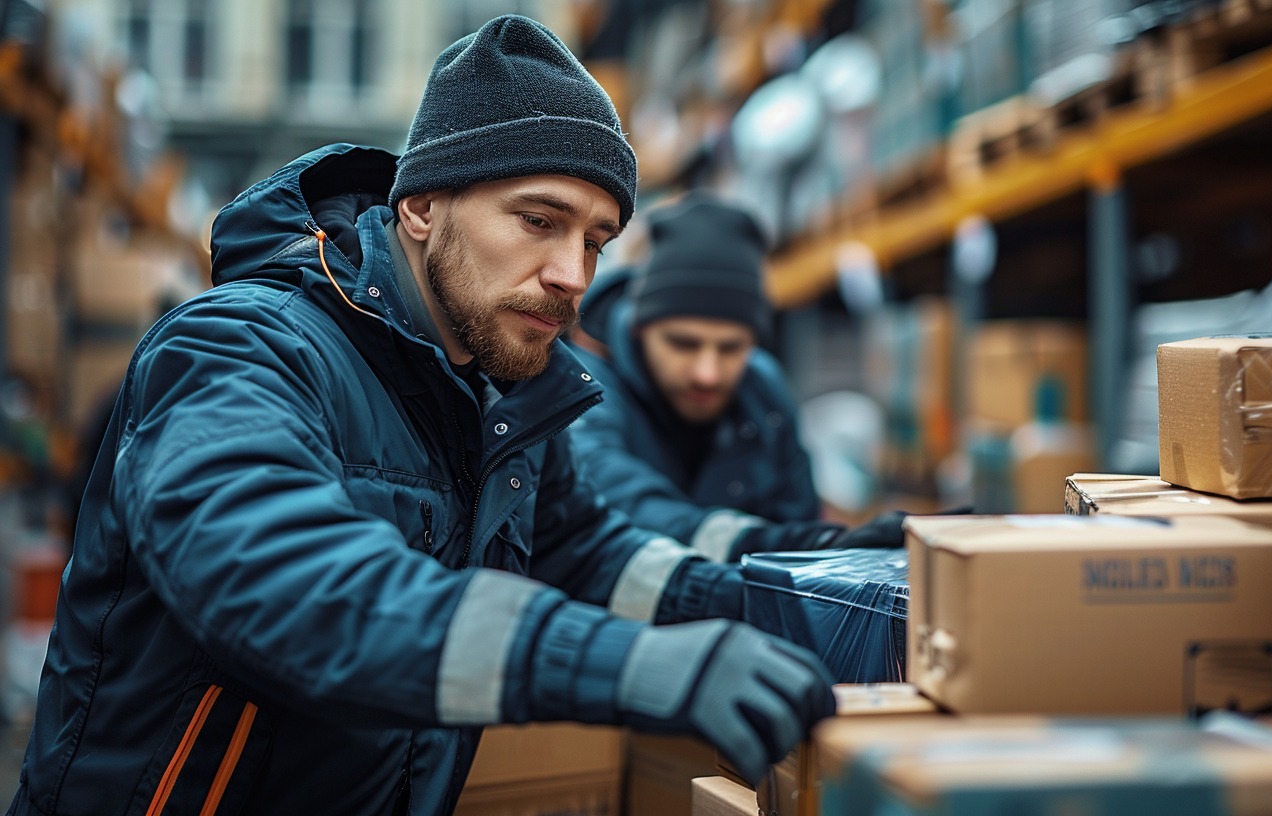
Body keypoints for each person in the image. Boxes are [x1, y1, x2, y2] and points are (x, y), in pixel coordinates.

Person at [8, 16, 835, 816]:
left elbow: (589, 555)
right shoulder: (238, 346)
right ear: (421, 207)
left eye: (595, 240)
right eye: (539, 221)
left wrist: (815, 594)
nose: (571, 273)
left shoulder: (505, 400)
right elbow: (281, 574)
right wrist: (627, 664)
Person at [568, 192, 909, 564]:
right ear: (638, 329)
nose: (707, 373)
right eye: (684, 344)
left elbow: (798, 513)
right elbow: (610, 495)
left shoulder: (762, 389)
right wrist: (792, 544)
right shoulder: (581, 384)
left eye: (731, 349)